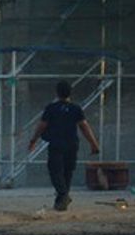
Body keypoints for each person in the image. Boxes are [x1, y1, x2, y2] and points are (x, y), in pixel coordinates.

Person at [28, 80, 101, 211]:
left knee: (55, 171)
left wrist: (33, 140)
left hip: (56, 143)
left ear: (57, 92)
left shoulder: (51, 108)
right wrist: (93, 144)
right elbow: (84, 127)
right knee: (67, 172)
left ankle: (62, 195)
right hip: (72, 144)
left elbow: (42, 125)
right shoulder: (75, 108)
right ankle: (61, 200)